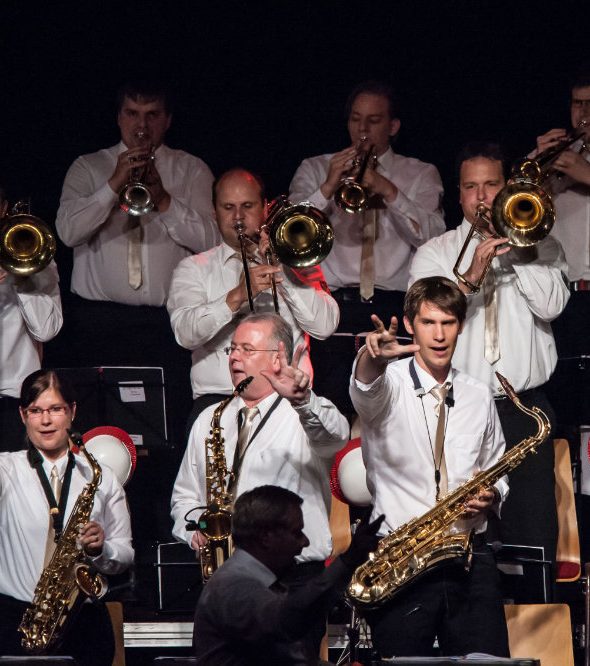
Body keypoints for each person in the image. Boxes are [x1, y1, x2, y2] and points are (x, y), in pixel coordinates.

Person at [409, 142, 570, 580]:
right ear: (458, 194)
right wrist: (468, 279)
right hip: (457, 409)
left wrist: (518, 250)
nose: (481, 197)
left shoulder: (543, 244)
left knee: (533, 538)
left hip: (524, 411)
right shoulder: (435, 253)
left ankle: (537, 615)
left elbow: (553, 306)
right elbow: (426, 322)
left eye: (491, 185)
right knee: (457, 537)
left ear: (508, 187)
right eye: (470, 187)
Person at [51, 78, 220, 450]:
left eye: (152, 115)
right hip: (97, 324)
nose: (141, 125)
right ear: (118, 117)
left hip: (164, 325)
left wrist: (165, 200)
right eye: (132, 113)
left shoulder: (191, 170)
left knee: (165, 436)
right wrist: (112, 185)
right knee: (95, 435)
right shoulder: (88, 167)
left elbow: (213, 241)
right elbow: (67, 232)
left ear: (167, 120)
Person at [171, 313, 349, 656]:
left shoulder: (301, 412)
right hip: (229, 576)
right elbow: (184, 495)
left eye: (247, 349)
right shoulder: (209, 419)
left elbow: (335, 436)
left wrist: (303, 400)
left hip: (292, 575)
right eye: (233, 349)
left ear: (277, 357)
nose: (235, 358)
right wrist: (194, 529)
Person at [350, 276, 509, 658]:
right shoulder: (389, 382)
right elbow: (365, 387)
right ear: (409, 324)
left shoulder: (478, 393)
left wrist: (492, 494)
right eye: (428, 322)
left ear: (461, 326)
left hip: (468, 554)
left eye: (448, 323)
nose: (439, 335)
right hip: (403, 556)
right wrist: (373, 357)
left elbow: (497, 466)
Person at [167, 168, 339, 433]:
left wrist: (283, 269)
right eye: (228, 207)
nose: (237, 216)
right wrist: (237, 296)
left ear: (265, 208)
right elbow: (185, 334)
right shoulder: (193, 268)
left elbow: (324, 327)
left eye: (247, 206)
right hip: (218, 401)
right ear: (214, 212)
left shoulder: (297, 261)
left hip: (288, 400)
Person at [289, 79, 445, 335]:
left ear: (392, 126)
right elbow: (291, 236)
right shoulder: (315, 168)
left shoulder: (421, 173)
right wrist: (327, 188)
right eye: (355, 119)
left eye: (373, 121)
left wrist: (389, 191)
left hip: (396, 305)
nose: (362, 129)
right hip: (331, 305)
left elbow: (435, 238)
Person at [0, 369, 134, 666]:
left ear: (72, 411)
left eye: (56, 409)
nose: (45, 420)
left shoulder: (102, 476)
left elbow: (125, 554)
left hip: (83, 623)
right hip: (13, 622)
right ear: (22, 415)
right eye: (35, 411)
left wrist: (102, 549)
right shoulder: (6, 470)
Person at [193, 484, 383, 666]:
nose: (305, 542)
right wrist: (347, 561)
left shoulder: (259, 582)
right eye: (297, 533)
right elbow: (287, 621)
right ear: (266, 537)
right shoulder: (234, 586)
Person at [0, 189, 63, 451]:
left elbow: (46, 330)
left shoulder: (37, 255)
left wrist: (21, 276)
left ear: (4, 208)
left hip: (15, 397)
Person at [534, 65, 590, 357]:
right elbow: (509, 206)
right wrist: (538, 160)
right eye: (577, 103)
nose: (584, 113)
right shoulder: (555, 154)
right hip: (561, 296)